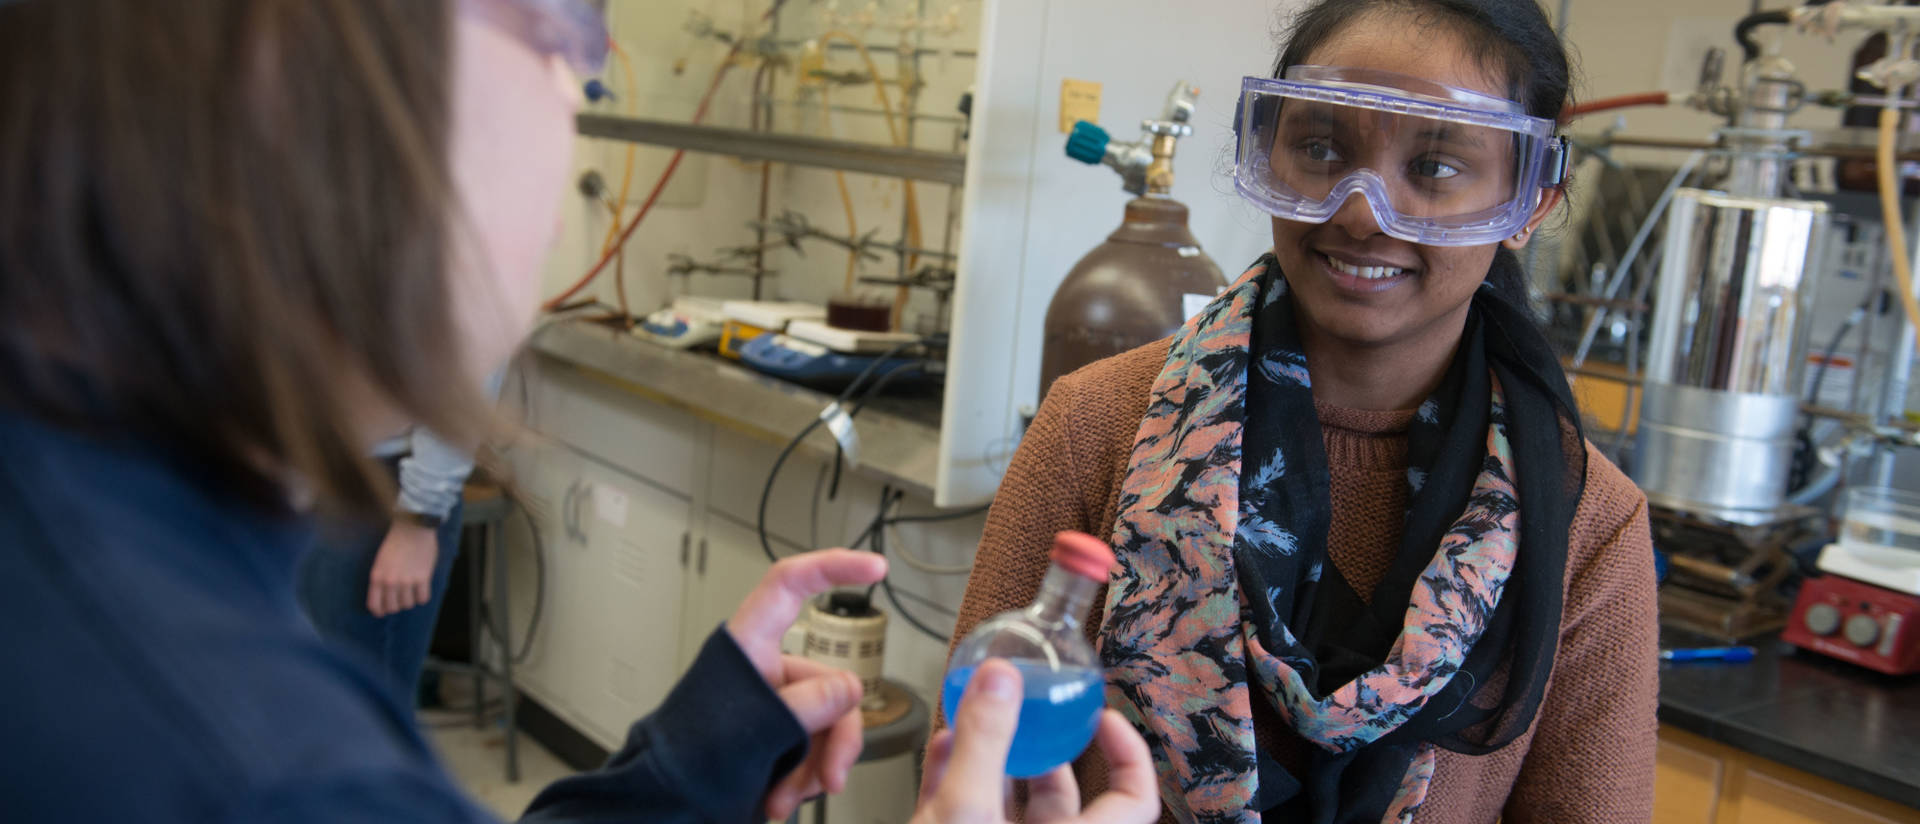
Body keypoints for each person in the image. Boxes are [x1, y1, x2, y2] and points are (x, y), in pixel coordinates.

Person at [0, 1, 1160, 822]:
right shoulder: (274, 771)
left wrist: (686, 761)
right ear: (298, 50)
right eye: (564, 27)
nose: (577, 89)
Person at [949, 1, 1660, 822]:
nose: (1360, 211)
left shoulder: (1584, 523)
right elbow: (970, 777)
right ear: (1268, 150)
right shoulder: (1098, 425)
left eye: (1434, 167)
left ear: (1530, 202)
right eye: (1321, 149)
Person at [297, 424, 478, 706]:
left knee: (360, 711)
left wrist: (419, 516)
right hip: (306, 465)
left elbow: (468, 389)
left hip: (381, 484)